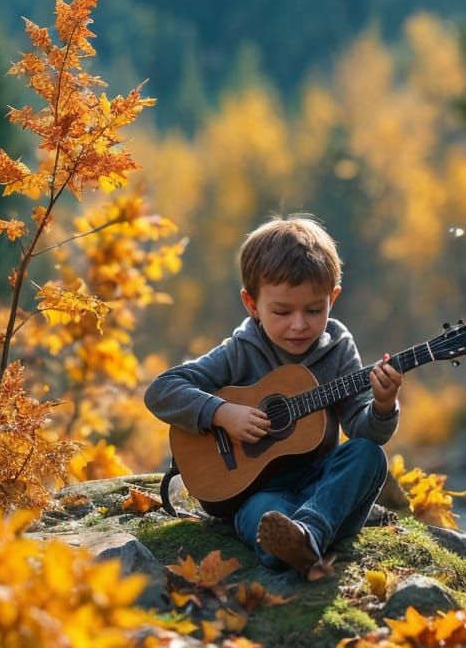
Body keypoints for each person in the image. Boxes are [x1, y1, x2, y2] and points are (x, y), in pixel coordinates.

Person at [143, 213, 401, 580]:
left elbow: (364, 432)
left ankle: (308, 534)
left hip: (320, 486)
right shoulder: (240, 350)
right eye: (282, 311)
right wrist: (222, 413)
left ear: (333, 298)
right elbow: (162, 391)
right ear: (252, 305)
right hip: (258, 492)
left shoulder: (339, 348)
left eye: (314, 310)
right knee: (263, 514)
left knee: (368, 456)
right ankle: (289, 541)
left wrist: (383, 405)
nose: (299, 324)